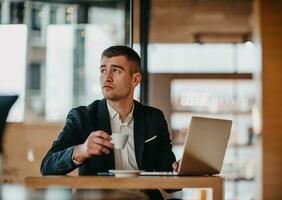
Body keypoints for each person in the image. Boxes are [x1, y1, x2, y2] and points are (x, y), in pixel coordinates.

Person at [41, 45, 180, 178]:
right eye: (103, 70)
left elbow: (169, 178)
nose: (107, 77)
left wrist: (179, 168)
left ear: (135, 79)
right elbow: (47, 167)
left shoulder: (154, 118)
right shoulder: (82, 117)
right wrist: (81, 151)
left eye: (116, 70)